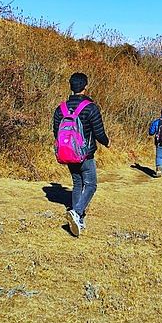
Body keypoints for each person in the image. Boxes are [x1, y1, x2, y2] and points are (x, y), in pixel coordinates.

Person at [52, 72, 109, 236]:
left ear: (71, 87)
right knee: (91, 185)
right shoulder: (90, 108)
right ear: (85, 86)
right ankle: (76, 213)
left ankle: (79, 219)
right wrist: (107, 142)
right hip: (85, 155)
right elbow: (99, 133)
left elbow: (56, 132)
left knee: (77, 183)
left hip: (67, 153)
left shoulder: (60, 109)